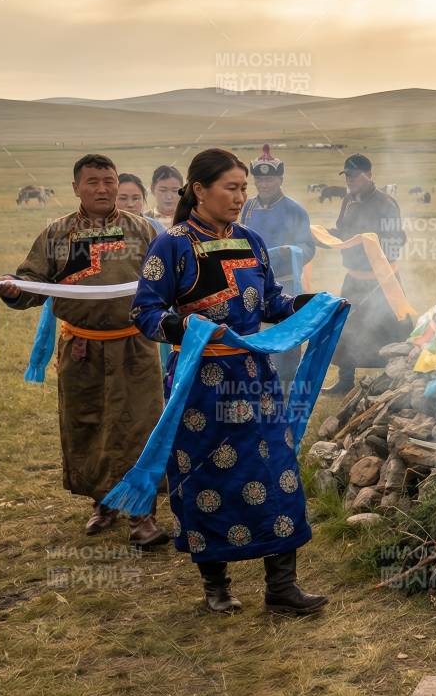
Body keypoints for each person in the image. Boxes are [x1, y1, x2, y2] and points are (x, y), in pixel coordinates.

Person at [130, 147, 331, 615]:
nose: (241, 197)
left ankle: (282, 588)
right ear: (199, 190)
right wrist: (191, 328)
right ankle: (215, 586)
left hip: (255, 379)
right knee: (207, 477)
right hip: (200, 385)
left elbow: (271, 304)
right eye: (231, 188)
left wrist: (312, 305)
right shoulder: (173, 244)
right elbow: (145, 313)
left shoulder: (252, 241)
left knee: (277, 472)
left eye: (243, 188)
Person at [0, 154, 167, 547]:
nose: (103, 188)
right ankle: (102, 503)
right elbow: (32, 283)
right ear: (76, 187)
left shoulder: (142, 230)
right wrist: (14, 289)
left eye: (109, 180)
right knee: (88, 424)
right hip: (81, 350)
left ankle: (143, 516)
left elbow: (168, 280)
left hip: (135, 346)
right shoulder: (56, 234)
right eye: (93, 182)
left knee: (139, 426)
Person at [325, 153, 407, 394]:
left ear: (369, 175)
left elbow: (397, 240)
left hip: (382, 280)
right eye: (347, 175)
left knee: (390, 329)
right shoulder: (347, 200)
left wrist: (375, 251)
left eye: (354, 175)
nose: (349, 180)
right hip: (353, 278)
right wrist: (321, 236)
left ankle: (394, 381)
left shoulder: (386, 204)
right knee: (346, 326)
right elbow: (342, 231)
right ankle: (345, 380)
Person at [239, 144, 316, 382]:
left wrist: (288, 252)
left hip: (284, 284)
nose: (264, 184)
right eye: (259, 179)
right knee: (254, 335)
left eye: (270, 178)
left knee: (285, 338)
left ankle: (285, 387)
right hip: (252, 283)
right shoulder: (247, 207)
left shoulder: (295, 210)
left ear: (280, 179)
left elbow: (308, 247)